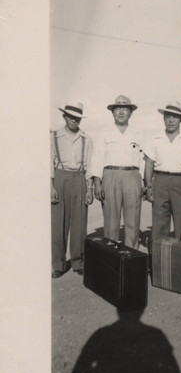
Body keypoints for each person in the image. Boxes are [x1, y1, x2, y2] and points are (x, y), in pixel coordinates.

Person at [92, 95, 143, 249]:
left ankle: (131, 255)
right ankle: (110, 258)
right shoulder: (104, 133)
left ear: (131, 113)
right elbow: (98, 158)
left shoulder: (137, 133)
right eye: (118, 109)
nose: (121, 112)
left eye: (125, 109)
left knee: (132, 221)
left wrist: (145, 183)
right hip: (110, 176)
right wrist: (97, 183)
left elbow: (142, 159)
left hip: (132, 176)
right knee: (111, 222)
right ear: (112, 112)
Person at [144, 101, 181, 240]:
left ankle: (180, 258)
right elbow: (149, 164)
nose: (171, 120)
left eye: (175, 117)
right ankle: (158, 259)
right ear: (163, 118)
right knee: (159, 224)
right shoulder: (155, 139)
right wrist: (148, 187)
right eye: (168, 116)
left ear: (180, 120)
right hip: (160, 182)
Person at [50, 103, 94, 278]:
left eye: (77, 118)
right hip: (60, 177)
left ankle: (78, 262)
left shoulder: (86, 139)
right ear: (64, 117)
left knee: (79, 224)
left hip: (79, 179)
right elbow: (47, 163)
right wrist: (51, 186)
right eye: (70, 117)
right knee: (58, 224)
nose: (73, 120)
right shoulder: (54, 136)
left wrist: (89, 188)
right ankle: (58, 265)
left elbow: (89, 165)